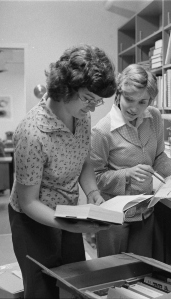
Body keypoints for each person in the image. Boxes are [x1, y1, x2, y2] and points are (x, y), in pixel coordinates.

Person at [8, 44, 116, 299]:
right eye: (88, 99)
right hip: (32, 220)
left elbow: (84, 160)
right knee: (43, 291)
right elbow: (28, 202)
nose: (92, 108)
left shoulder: (81, 116)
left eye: (96, 101)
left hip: (68, 213)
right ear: (66, 87)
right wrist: (69, 225)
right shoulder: (31, 133)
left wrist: (92, 193)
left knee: (74, 286)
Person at [91, 64, 171, 258]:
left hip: (145, 211)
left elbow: (159, 155)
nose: (135, 108)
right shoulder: (102, 131)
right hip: (113, 216)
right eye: (129, 99)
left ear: (151, 100)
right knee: (112, 272)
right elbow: (95, 177)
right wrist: (127, 174)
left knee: (141, 271)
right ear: (118, 94)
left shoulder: (154, 117)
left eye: (143, 101)